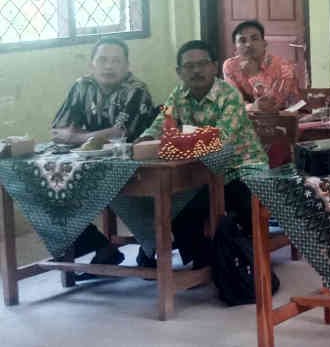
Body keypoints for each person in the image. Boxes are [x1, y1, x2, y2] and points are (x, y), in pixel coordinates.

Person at [137, 40, 267, 267]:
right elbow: (161, 122)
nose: (196, 70)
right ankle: (203, 259)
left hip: (241, 168)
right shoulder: (177, 93)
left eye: (203, 64)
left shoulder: (230, 95)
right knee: (175, 204)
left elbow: (221, 138)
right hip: (199, 171)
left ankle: (237, 257)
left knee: (222, 201)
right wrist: (146, 140)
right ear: (179, 72)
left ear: (214, 67)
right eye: (189, 66)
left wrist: (178, 138)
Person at [51, 38, 158, 268]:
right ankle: (101, 246)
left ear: (127, 66)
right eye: (102, 60)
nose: (108, 66)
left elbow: (120, 133)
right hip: (88, 167)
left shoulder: (136, 90)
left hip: (134, 169)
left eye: (116, 61)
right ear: (92, 64)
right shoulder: (82, 86)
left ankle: (149, 248)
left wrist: (77, 136)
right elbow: (58, 131)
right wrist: (91, 137)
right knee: (48, 190)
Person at [221, 20, 303, 113]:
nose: (248, 44)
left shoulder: (283, 66)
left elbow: (272, 105)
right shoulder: (231, 66)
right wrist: (252, 107)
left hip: (284, 116)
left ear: (264, 43)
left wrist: (254, 75)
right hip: (247, 117)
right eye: (242, 41)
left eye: (254, 39)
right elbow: (234, 103)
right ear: (235, 47)